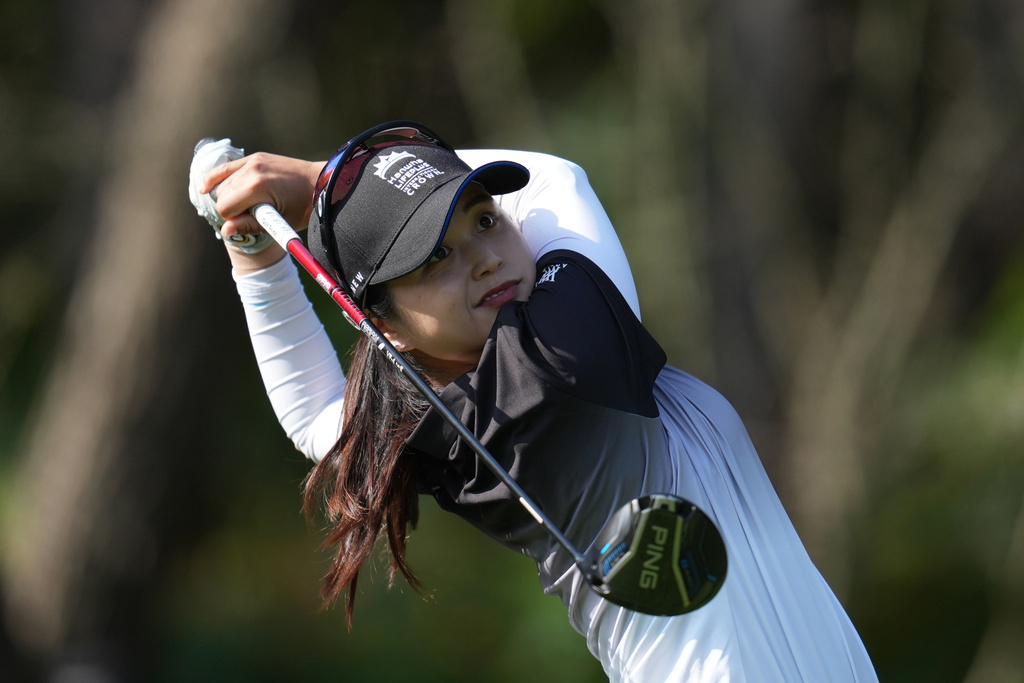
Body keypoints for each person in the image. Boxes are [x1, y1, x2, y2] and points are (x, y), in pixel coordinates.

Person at [194, 122, 877, 682]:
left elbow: (315, 417)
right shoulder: (564, 352)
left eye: (486, 219)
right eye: (434, 258)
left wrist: (258, 256)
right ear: (389, 326)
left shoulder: (446, 426)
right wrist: (320, 180)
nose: (485, 257)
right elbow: (557, 180)